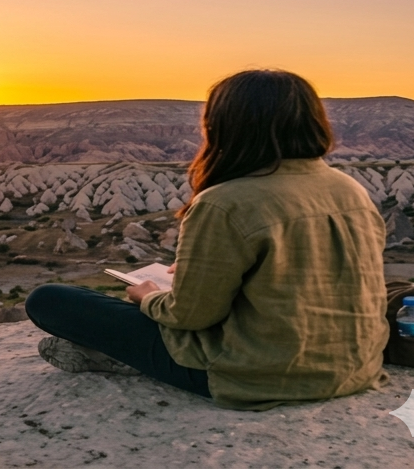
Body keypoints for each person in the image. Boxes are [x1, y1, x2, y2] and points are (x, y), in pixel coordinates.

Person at [25, 69, 388, 410]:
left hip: (258, 376)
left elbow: (190, 316)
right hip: (354, 368)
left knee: (49, 300)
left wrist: (148, 297)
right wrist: (203, 272)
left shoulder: (225, 202)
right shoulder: (349, 188)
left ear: (225, 127)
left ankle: (117, 357)